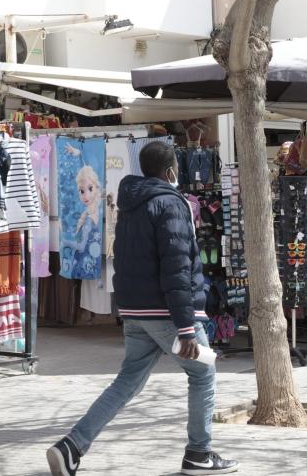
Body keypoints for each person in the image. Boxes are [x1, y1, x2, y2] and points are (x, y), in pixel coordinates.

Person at [47, 141, 238, 475]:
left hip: (135, 310)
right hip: (167, 312)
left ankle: (71, 446)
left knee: (127, 381)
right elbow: (177, 267)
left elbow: (123, 256)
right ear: (171, 171)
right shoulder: (171, 203)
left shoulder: (130, 204)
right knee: (202, 373)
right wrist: (186, 327)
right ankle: (199, 454)